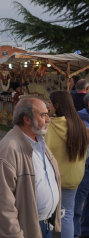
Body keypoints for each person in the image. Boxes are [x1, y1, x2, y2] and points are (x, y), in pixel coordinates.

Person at [0, 96, 61, 238]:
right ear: (27, 119)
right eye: (43, 115)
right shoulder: (9, 150)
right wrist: (15, 234)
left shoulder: (38, 141)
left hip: (43, 225)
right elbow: (3, 203)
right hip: (26, 229)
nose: (48, 119)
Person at [46, 91, 89, 238]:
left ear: (57, 105)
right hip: (74, 177)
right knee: (68, 214)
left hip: (52, 178)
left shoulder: (49, 126)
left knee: (44, 213)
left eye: (50, 103)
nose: (48, 105)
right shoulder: (81, 126)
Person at [75, 94, 89, 238]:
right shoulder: (80, 119)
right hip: (84, 167)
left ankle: (85, 232)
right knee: (77, 205)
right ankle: (74, 234)